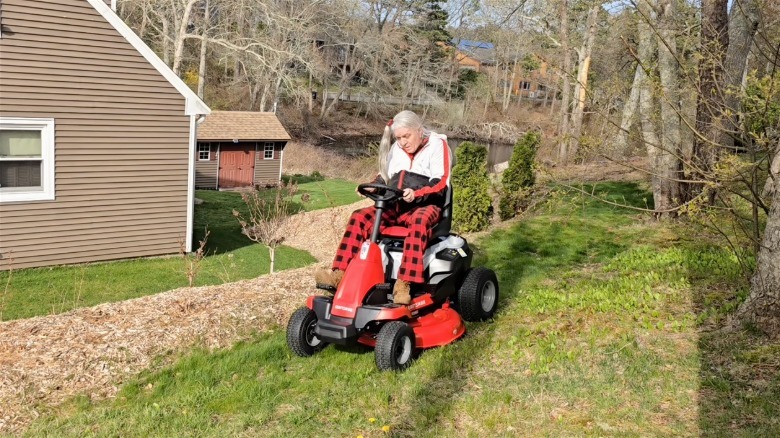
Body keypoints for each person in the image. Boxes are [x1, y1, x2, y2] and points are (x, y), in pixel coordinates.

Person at [315, 110, 452, 304]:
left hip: (426, 204)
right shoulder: (396, 149)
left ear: (419, 130)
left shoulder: (437, 145)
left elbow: (441, 182)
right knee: (359, 217)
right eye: (399, 138)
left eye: (406, 136)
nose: (403, 142)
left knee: (419, 221)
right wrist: (372, 186)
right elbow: (385, 178)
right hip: (395, 203)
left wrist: (417, 194)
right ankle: (339, 275)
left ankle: (404, 283)